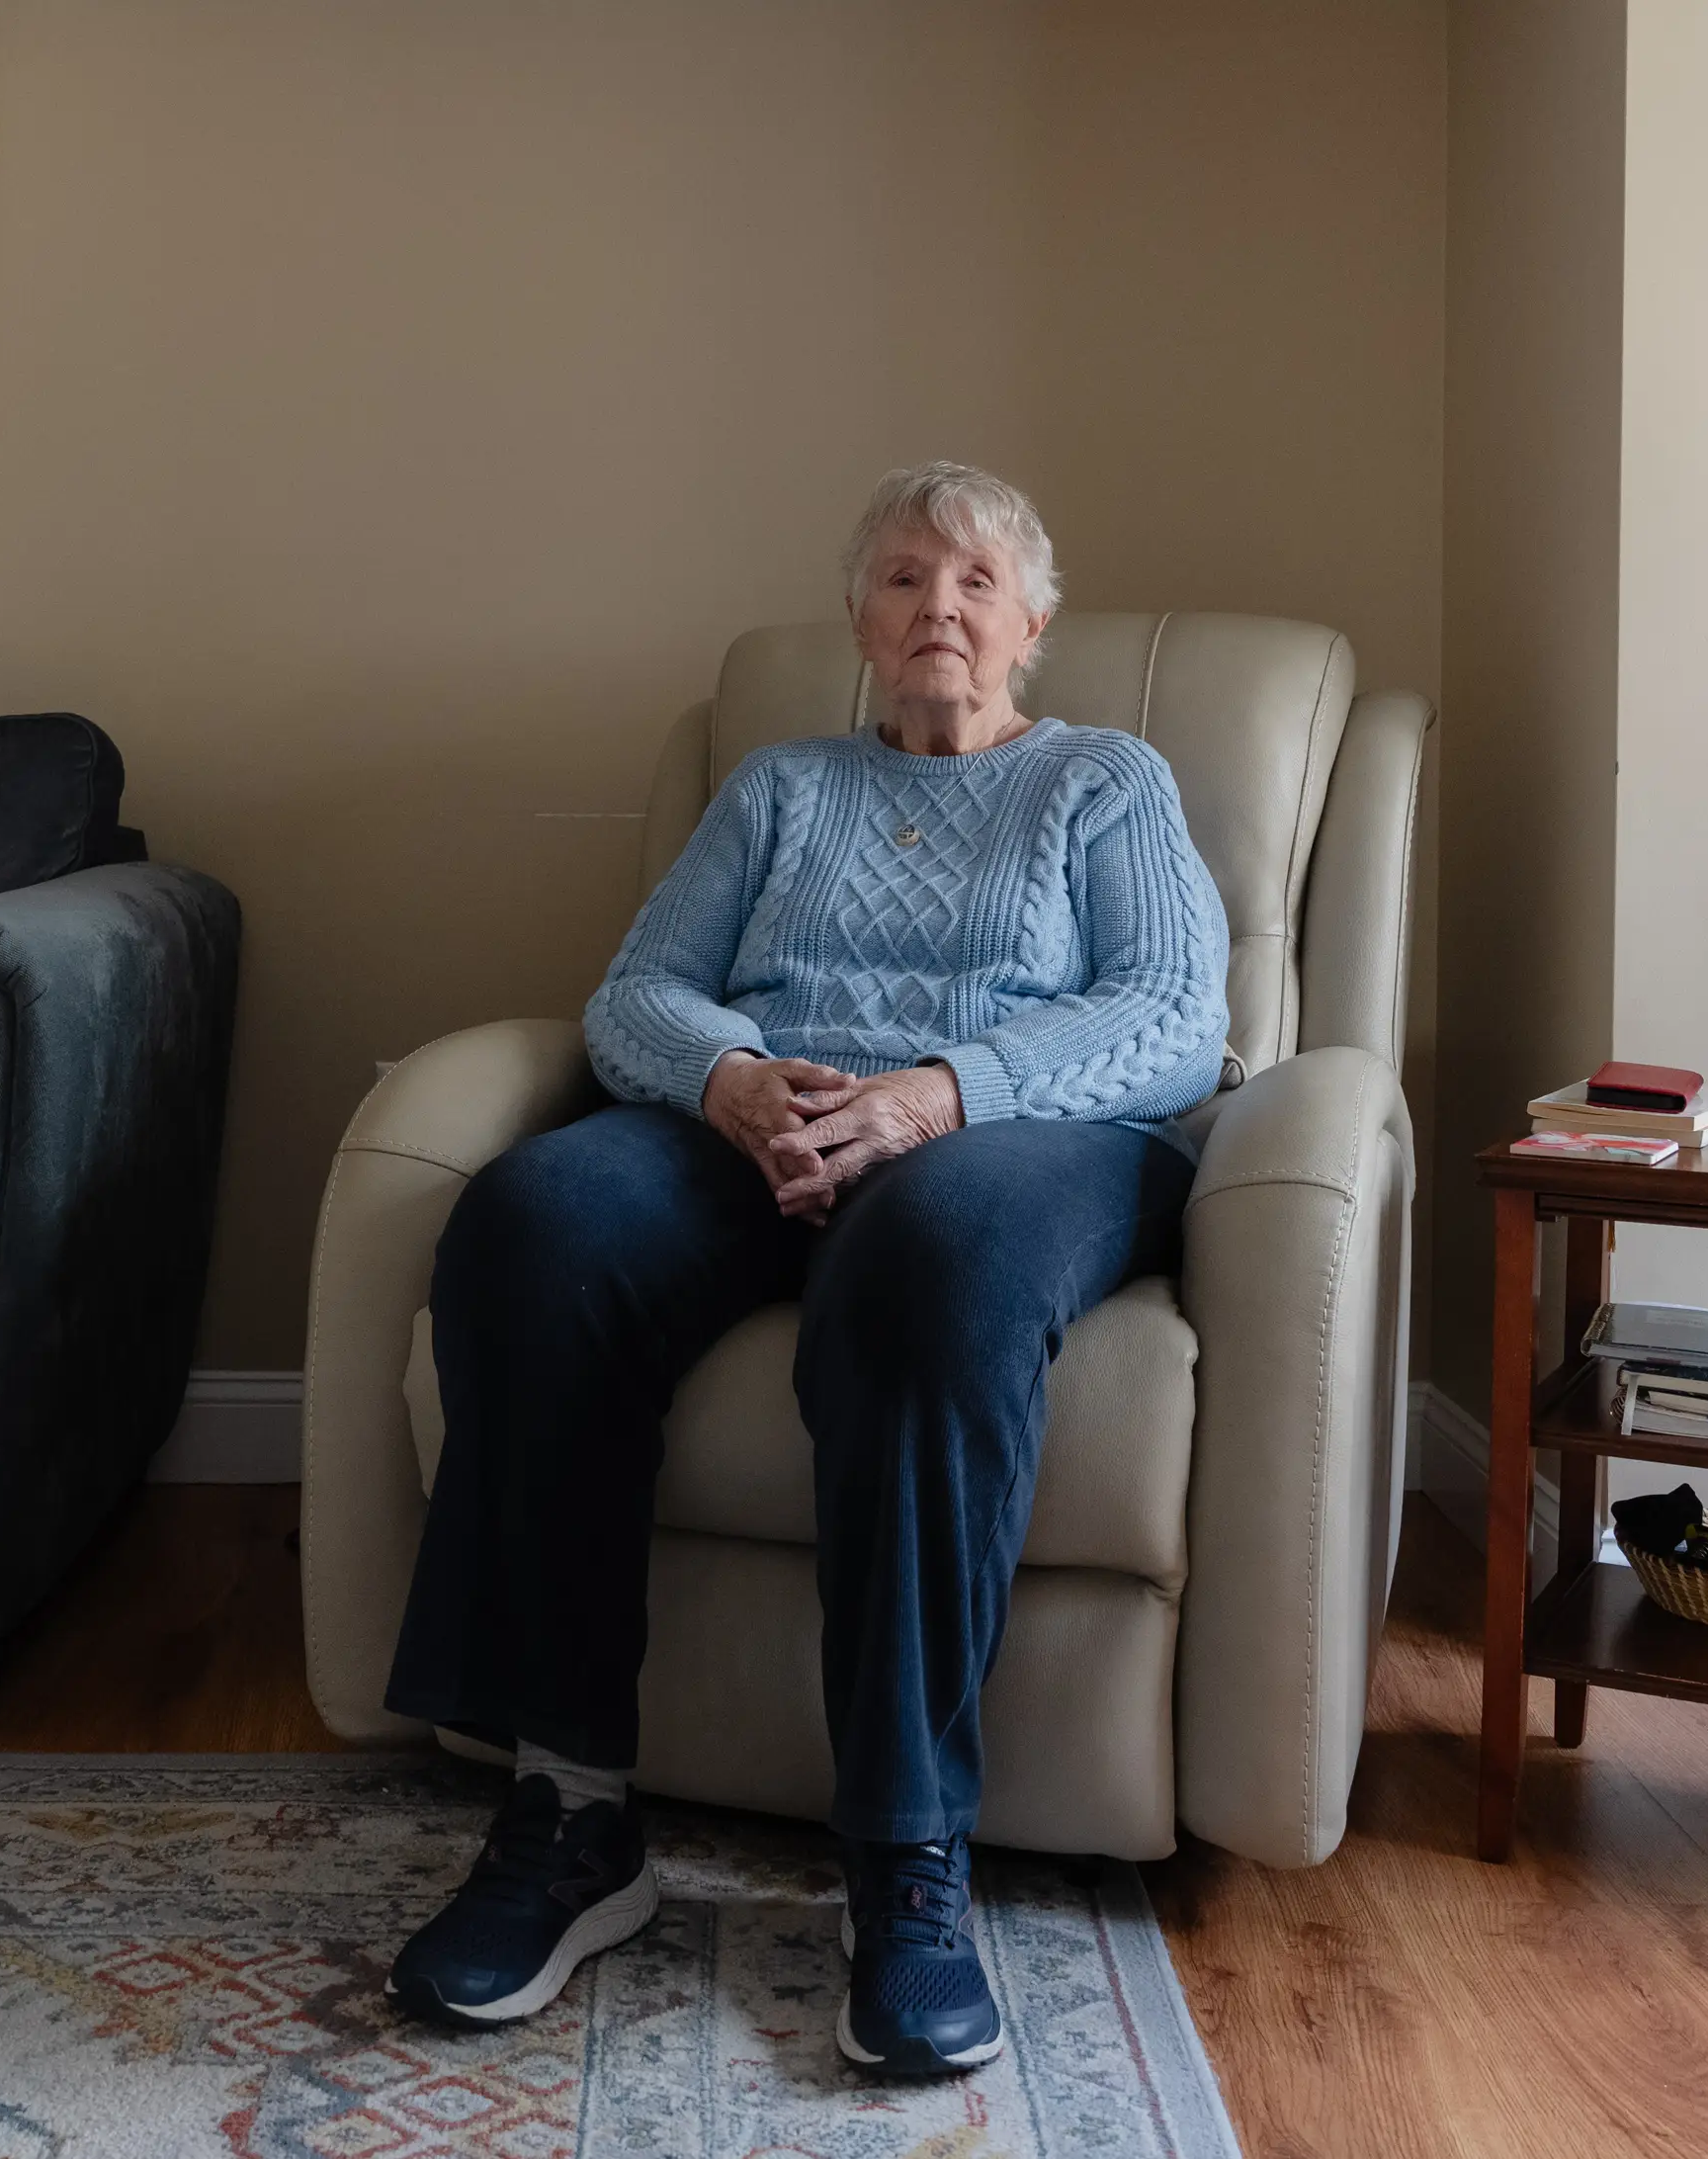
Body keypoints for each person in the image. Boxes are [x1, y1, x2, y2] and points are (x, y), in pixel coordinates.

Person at [379, 462, 1232, 2076]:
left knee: (926, 1254)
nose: (939, 609)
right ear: (858, 622)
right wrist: (731, 1079)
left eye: (976, 582)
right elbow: (639, 992)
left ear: (1033, 624)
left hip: (1019, 1135)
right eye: (904, 578)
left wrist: (938, 1094)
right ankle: (569, 1814)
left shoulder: (1104, 781)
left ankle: (905, 1856)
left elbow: (1174, 1017)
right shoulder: (778, 787)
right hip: (766, 1117)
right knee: (531, 1225)